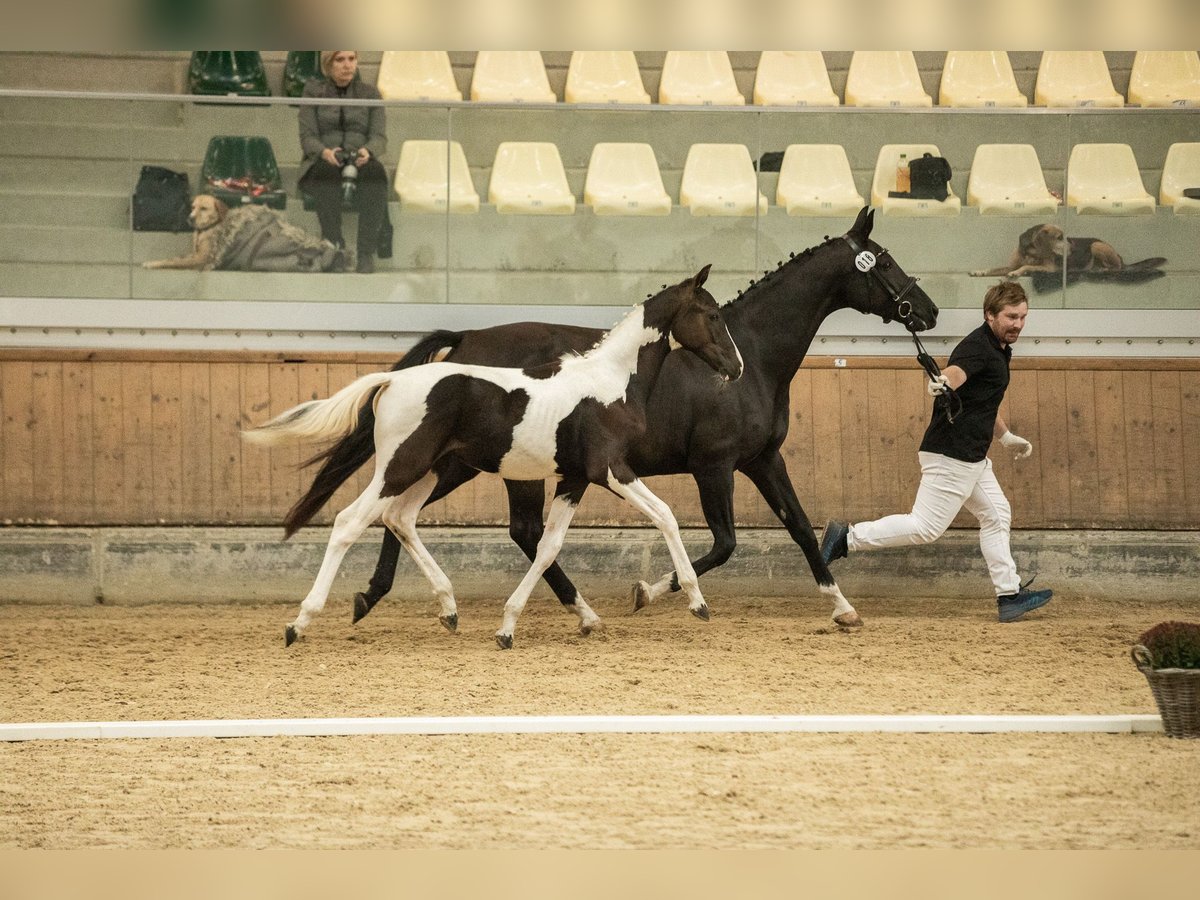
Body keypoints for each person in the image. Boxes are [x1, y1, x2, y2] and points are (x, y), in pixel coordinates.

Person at [820, 280, 1054, 623]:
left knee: (997, 514)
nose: (1017, 324)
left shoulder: (1000, 347)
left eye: (1022, 317)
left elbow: (983, 402)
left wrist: (1004, 437)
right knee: (925, 528)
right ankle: (847, 538)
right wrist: (942, 382)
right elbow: (957, 373)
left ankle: (1009, 596)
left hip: (973, 456)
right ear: (990, 315)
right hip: (952, 455)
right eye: (1010, 317)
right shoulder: (977, 347)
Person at [298, 50, 388, 274]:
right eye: (340, 60)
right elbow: (307, 137)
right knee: (325, 174)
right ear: (328, 65)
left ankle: (366, 252)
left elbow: (379, 137)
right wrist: (324, 152)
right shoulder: (313, 92)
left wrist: (368, 151)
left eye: (352, 59)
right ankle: (334, 246)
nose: (347, 65)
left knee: (376, 175)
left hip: (360, 157)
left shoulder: (370, 93)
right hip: (325, 158)